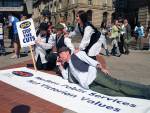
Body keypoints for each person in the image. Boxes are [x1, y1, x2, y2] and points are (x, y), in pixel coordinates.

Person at [57, 46, 150, 99]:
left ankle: (146, 91)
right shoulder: (69, 66)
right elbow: (66, 77)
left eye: (61, 55)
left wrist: (102, 68)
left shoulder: (78, 54)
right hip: (90, 85)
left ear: (67, 52)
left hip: (96, 76)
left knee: (117, 85)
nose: (60, 57)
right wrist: (60, 65)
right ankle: (140, 96)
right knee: (112, 93)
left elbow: (91, 61)